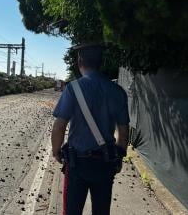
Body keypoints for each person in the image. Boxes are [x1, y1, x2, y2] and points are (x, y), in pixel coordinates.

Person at [51, 44, 130, 215]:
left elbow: (59, 126)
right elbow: (123, 130)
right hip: (105, 163)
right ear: (101, 62)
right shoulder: (117, 91)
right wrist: (120, 156)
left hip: (77, 163)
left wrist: (56, 150)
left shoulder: (73, 88)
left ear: (79, 61)